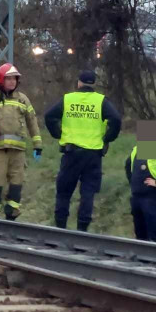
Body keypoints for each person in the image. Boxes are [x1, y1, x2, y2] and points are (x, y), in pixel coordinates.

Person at [43, 69, 122, 231]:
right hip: (93, 154)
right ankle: (82, 231)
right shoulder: (101, 101)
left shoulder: (68, 99)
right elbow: (116, 119)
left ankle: (60, 228)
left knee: (64, 192)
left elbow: (49, 116)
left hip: (71, 153)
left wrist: (58, 134)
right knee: (88, 193)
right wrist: (107, 138)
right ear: (94, 84)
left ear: (79, 83)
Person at [0, 63, 43, 220]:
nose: (12, 82)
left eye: (14, 79)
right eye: (8, 78)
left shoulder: (23, 99)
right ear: (0, 80)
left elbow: (32, 122)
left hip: (18, 152)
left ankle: (11, 217)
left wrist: (38, 145)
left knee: (16, 184)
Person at [125, 121, 156, 244]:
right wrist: (133, 184)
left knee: (155, 233)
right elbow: (128, 167)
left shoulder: (154, 150)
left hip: (151, 198)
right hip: (137, 197)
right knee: (140, 233)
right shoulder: (136, 151)